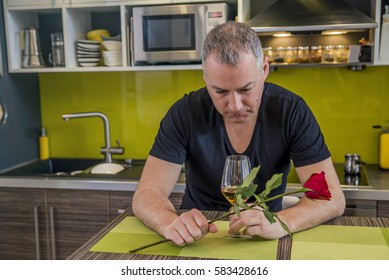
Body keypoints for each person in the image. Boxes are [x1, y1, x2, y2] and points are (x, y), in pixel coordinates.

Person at [132, 21, 345, 246]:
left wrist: (281, 222)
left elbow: (332, 198)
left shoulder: (291, 111)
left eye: (246, 89)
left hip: (266, 237)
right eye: (220, 91)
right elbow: (147, 193)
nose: (234, 106)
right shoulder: (184, 113)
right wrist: (169, 221)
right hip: (199, 239)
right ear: (205, 77)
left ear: (264, 69)